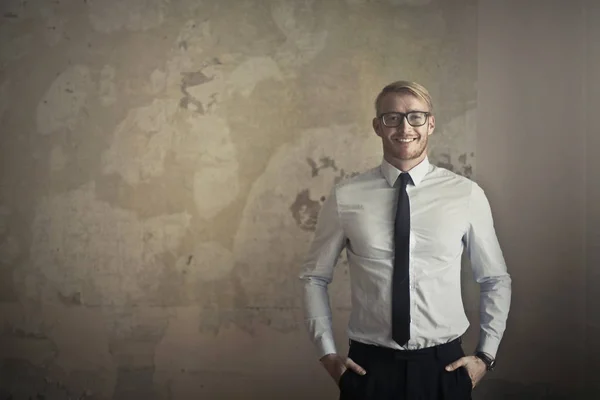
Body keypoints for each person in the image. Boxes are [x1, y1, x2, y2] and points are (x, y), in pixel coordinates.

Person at [299, 80, 511, 399]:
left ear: (431, 123)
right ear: (377, 126)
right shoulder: (346, 197)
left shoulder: (466, 194)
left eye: (416, 116)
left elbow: (495, 279)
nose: (404, 127)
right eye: (392, 117)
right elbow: (313, 277)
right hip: (369, 369)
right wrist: (328, 356)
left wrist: (485, 357)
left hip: (445, 369)